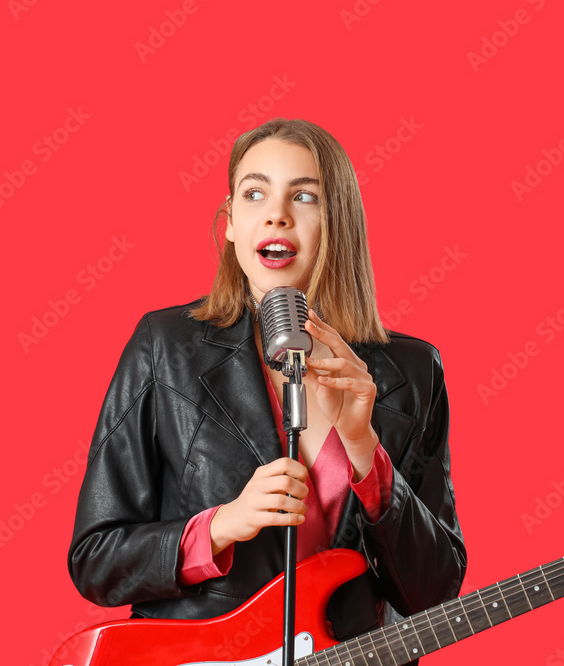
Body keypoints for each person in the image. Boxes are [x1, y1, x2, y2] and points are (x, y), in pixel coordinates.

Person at [67, 118, 466, 659]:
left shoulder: (414, 371)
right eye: (255, 193)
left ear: (338, 222)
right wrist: (222, 525)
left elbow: (434, 592)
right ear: (231, 222)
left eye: (304, 197)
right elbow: (97, 559)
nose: (276, 213)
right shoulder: (164, 347)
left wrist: (364, 449)